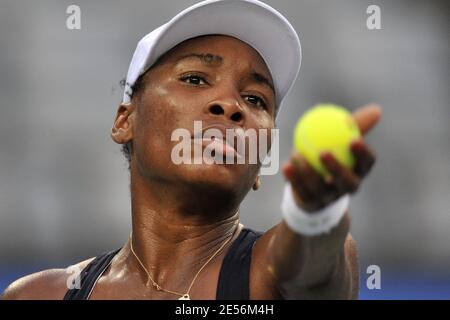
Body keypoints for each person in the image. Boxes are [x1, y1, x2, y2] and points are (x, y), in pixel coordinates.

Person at [2, 0, 381, 300]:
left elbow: (314, 267)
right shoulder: (40, 295)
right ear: (125, 121)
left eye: (255, 98)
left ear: (262, 158)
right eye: (195, 78)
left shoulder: (270, 272)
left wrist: (313, 214)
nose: (231, 105)